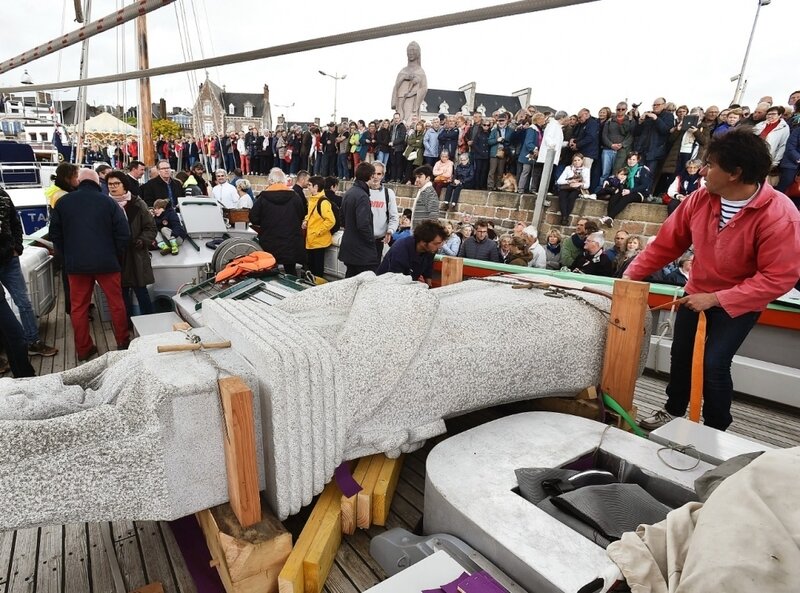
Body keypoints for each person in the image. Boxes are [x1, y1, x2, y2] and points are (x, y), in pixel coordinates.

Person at [626, 131, 800, 431]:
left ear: (735, 173)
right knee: (680, 356)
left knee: (714, 364)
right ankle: (673, 410)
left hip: (740, 304)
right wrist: (629, 277)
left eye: (710, 165)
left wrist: (717, 298)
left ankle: (714, 428)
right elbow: (666, 245)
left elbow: (779, 277)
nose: (703, 171)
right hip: (696, 292)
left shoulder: (780, 215)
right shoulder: (699, 199)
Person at [49, 169, 130, 361]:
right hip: (107, 262)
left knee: (79, 308)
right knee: (116, 303)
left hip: (76, 264)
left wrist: (68, 255)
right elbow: (123, 234)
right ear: (97, 181)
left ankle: (84, 349)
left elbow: (55, 235)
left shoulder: (63, 203)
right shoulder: (109, 202)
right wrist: (114, 253)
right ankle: (122, 342)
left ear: (78, 181)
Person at [0, 189, 58, 357]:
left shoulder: (3, 195)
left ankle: (33, 342)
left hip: (10, 260)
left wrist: (17, 247)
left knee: (24, 302)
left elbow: (15, 222)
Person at [107, 170, 156, 320]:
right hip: (116, 255)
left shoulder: (137, 203)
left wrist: (142, 240)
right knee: (121, 294)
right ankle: (126, 324)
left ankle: (149, 322)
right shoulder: (105, 204)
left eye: (116, 184)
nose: (113, 187)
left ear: (124, 185)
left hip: (136, 254)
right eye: (110, 184)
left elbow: (150, 227)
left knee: (141, 291)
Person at [249, 168, 307, 277]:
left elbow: (253, 218)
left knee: (270, 270)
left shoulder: (263, 198)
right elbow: (301, 214)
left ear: (270, 181)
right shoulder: (295, 197)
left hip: (270, 241)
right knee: (291, 271)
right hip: (291, 240)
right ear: (284, 181)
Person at [338, 162, 379, 277]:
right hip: (362, 251)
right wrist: (371, 240)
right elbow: (363, 224)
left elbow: (342, 218)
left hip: (349, 247)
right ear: (370, 176)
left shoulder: (350, 192)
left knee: (350, 279)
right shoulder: (362, 196)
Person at [376, 219, 445, 286]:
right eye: (436, 243)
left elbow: (428, 270)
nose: (439, 247)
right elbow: (396, 280)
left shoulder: (430, 251)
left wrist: (429, 287)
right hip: (386, 285)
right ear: (423, 242)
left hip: (408, 284)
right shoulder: (401, 249)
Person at [599, 152, 652, 226]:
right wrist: (607, 180)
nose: (631, 161)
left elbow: (645, 185)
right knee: (616, 194)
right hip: (626, 190)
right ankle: (610, 218)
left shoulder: (642, 169)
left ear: (637, 161)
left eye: (634, 159)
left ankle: (610, 217)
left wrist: (630, 191)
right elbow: (615, 177)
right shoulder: (625, 169)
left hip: (639, 193)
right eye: (629, 159)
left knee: (626, 197)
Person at [302, 175, 336, 277]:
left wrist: (318, 231)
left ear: (316, 187)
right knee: (312, 267)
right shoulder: (313, 199)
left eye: (310, 185)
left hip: (318, 240)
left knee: (317, 269)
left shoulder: (323, 202)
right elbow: (311, 214)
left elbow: (331, 221)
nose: (308, 187)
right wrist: (306, 221)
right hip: (312, 239)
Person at [367, 162, 399, 262]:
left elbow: (394, 216)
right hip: (362, 239)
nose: (375, 177)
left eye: (378, 174)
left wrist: (390, 230)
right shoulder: (362, 191)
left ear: (383, 175)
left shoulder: (388, 193)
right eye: (373, 174)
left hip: (378, 240)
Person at [391, 42, 428, 125]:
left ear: (418, 53)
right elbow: (396, 86)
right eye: (409, 51)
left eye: (413, 50)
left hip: (413, 101)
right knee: (400, 119)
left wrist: (412, 93)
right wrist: (404, 78)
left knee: (410, 121)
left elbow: (424, 88)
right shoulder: (403, 71)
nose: (411, 53)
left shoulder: (420, 71)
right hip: (400, 99)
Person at [555, 153, 590, 226]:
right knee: (562, 196)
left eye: (578, 160)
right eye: (575, 160)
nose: (577, 162)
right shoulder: (568, 168)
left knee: (571, 197)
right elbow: (559, 181)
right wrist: (569, 181)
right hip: (567, 186)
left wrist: (579, 184)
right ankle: (564, 216)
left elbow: (587, 185)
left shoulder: (586, 170)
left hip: (577, 188)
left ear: (582, 161)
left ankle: (565, 217)